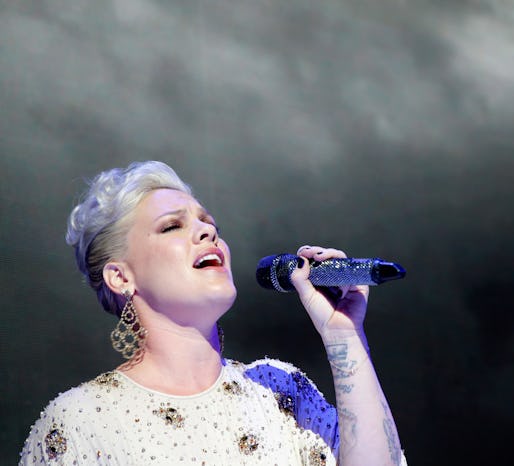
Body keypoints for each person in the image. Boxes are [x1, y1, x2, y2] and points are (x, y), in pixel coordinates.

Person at [19, 161, 407, 465]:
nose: (208, 233)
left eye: (209, 223)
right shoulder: (81, 422)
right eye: (172, 226)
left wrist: (344, 337)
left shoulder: (279, 389)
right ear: (120, 276)